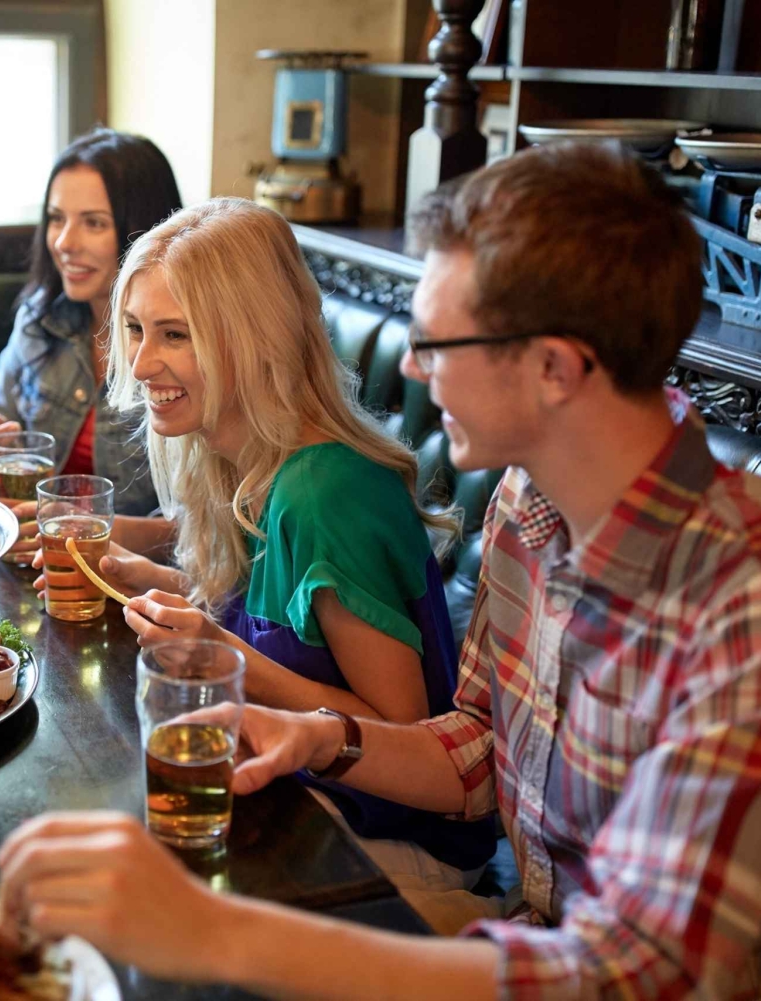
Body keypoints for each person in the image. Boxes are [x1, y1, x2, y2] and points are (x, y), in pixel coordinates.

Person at [0, 144, 761, 999]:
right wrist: (325, 738)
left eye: (436, 340)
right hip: (527, 929)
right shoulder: (530, 501)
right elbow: (477, 752)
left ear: (554, 368)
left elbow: (642, 972)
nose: (410, 367)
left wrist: (216, 930)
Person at [88, 196, 493, 882]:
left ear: (253, 339)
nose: (143, 360)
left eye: (176, 335)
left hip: (397, 840)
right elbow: (275, 624)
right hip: (296, 791)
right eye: (134, 328)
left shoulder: (323, 490)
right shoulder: (235, 450)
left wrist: (223, 652)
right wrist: (134, 571)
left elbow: (401, 729)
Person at [0, 128, 183, 560]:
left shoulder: (188, 343)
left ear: (146, 230)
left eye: (93, 222)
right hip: (31, 566)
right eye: (57, 218)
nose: (64, 242)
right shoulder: (40, 320)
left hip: (147, 587)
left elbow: (210, 533)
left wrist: (80, 524)